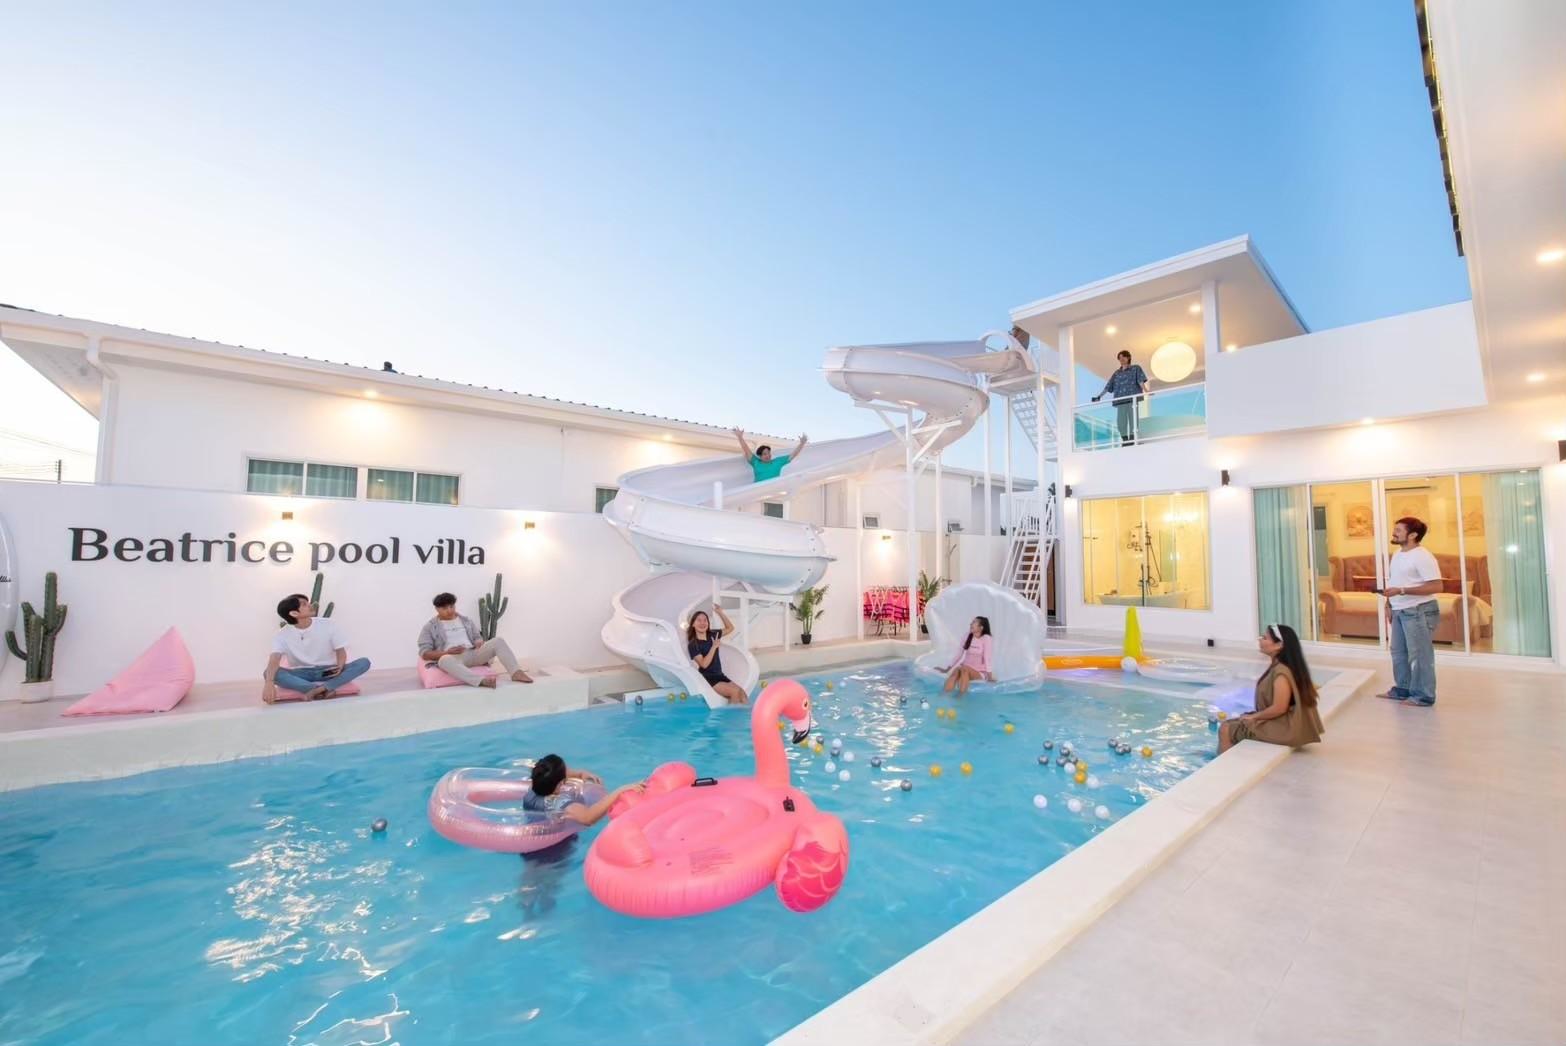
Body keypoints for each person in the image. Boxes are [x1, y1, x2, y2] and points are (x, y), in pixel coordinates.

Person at [1218, 624, 1324, 753]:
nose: (1260, 640)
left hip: (1285, 728)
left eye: (1265, 638)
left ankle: (1224, 764)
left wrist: (1255, 717)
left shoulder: (1281, 672)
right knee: (1237, 720)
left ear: (1279, 645)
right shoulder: (1285, 666)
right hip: (1284, 723)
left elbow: (1279, 708)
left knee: (1226, 728)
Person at [1376, 516, 1443, 708]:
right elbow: (1395, 581)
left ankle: (1423, 696)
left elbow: (1437, 586)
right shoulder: (1398, 553)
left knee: (1419, 655)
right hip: (1399, 610)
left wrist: (1402, 591)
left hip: (1419, 610)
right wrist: (1389, 604)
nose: (1394, 533)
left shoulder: (1423, 556)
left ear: (1413, 535)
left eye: (1398, 530)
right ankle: (1402, 689)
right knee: (1398, 652)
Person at [263, 594, 372, 703]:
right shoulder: (282, 634)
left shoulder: (328, 624)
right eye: (304, 604)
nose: (311, 605)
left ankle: (320, 689)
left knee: (364, 662)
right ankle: (319, 689)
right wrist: (269, 683)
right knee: (268, 673)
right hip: (301, 673)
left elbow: (340, 651)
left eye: (308, 602)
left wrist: (339, 667)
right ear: (294, 613)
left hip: (329, 671)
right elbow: (274, 659)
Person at [416, 592, 533, 686]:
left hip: (473, 653)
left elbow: (477, 637)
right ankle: (481, 681)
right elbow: (424, 653)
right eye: (445, 608)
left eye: (452, 606)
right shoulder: (430, 627)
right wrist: (447, 652)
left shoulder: (466, 621)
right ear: (437, 609)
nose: (450, 610)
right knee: (443, 660)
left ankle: (516, 672)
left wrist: (478, 642)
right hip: (453, 658)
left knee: (498, 641)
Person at [524, 754, 642, 827]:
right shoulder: (558, 803)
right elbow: (588, 818)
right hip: (556, 849)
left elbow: (550, 772)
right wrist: (619, 791)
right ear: (560, 783)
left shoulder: (532, 789)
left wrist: (580, 773)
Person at [687, 605, 748, 704]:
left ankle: (748, 713)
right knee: (735, 692)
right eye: (699, 620)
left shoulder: (712, 634)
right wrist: (714, 647)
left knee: (742, 693)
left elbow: (730, 628)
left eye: (705, 620)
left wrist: (720, 612)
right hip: (708, 678)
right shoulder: (693, 644)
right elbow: (704, 664)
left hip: (719, 675)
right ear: (693, 624)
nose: (702, 623)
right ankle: (732, 714)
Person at [1090, 350, 1150, 446]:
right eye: (1119, 358)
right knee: (1121, 422)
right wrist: (1099, 397)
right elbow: (1108, 386)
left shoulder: (1135, 368)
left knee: (1133, 420)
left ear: (1128, 357)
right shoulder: (1117, 373)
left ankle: (1132, 440)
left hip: (1132, 399)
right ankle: (1125, 440)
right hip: (1120, 400)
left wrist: (1146, 391)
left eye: (1123, 357)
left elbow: (1140, 380)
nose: (1121, 359)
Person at [733, 428, 808, 483]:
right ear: (760, 456)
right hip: (757, 492)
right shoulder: (755, 462)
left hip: (772, 492)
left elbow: (793, 455)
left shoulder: (777, 462)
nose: (768, 455)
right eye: (765, 454)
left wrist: (802, 443)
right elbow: (746, 449)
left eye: (769, 453)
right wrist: (740, 437)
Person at [942, 616, 994, 695]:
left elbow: (987, 658)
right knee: (956, 671)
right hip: (965, 668)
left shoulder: (986, 638)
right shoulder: (967, 635)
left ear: (981, 627)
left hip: (979, 672)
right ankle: (944, 695)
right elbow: (959, 654)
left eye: (974, 622)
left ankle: (961, 697)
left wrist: (990, 677)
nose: (971, 624)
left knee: (964, 669)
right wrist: (947, 669)